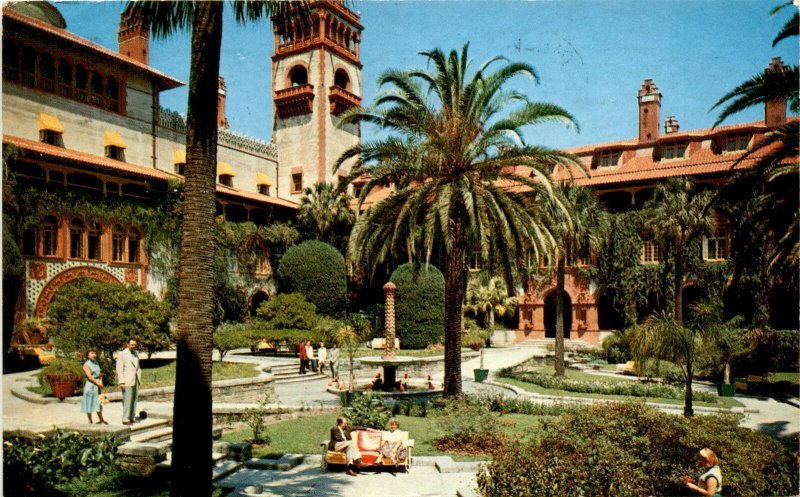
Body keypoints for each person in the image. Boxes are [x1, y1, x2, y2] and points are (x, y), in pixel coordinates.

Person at [116, 338, 142, 425]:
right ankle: (125, 418)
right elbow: (119, 369)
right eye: (131, 345)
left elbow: (137, 366)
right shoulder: (122, 354)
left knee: (134, 399)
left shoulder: (136, 353)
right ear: (127, 344)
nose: (133, 346)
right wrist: (121, 381)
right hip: (126, 380)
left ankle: (132, 417)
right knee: (127, 399)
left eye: (135, 345)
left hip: (135, 379)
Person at [81, 350, 107, 425]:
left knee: (98, 402)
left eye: (95, 353)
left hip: (97, 383)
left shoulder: (96, 363)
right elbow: (89, 377)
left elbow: (99, 374)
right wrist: (97, 383)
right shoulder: (86, 364)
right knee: (89, 402)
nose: (94, 355)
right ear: (88, 355)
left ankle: (101, 419)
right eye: (92, 353)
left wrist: (101, 381)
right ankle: (90, 420)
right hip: (91, 385)